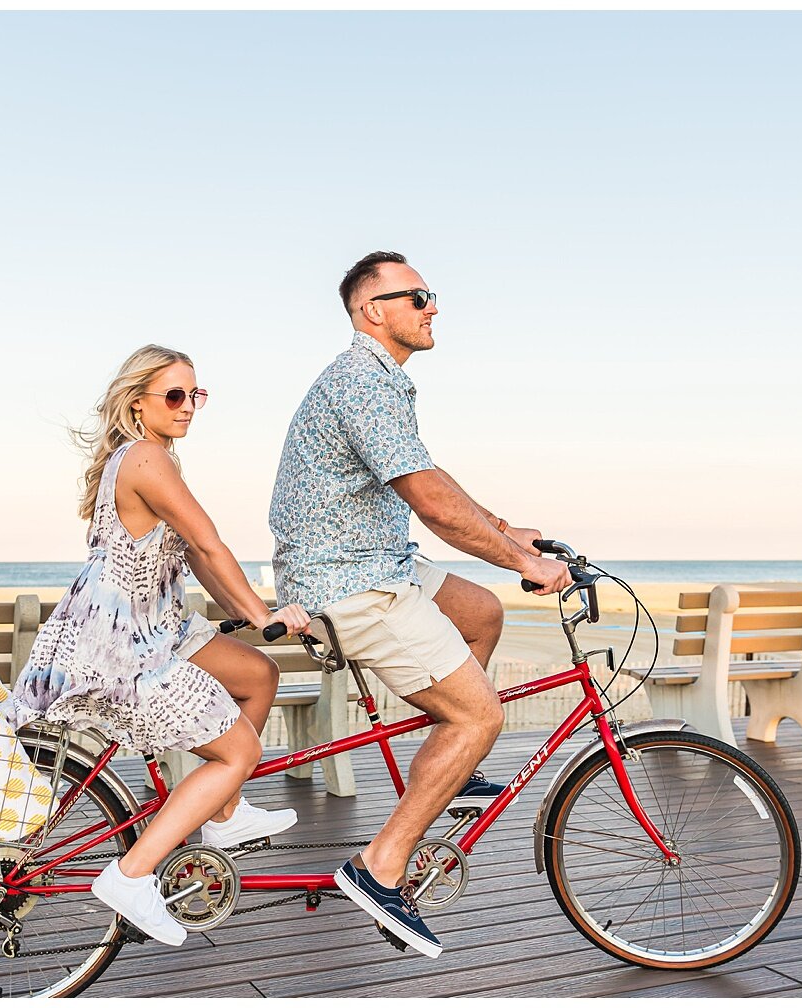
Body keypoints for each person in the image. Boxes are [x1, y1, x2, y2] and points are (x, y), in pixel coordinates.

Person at [269, 252, 573, 958]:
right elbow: (431, 503)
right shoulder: (359, 380)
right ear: (371, 310)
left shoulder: (382, 382)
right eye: (417, 296)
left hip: (381, 561)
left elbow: (429, 474)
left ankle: (451, 763)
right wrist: (527, 562)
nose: (432, 306)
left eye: (431, 295)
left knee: (482, 614)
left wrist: (505, 529)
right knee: (480, 713)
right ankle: (380, 865)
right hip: (347, 583)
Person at [12, 345, 311, 946]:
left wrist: (250, 621)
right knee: (235, 752)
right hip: (122, 644)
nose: (188, 407)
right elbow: (207, 542)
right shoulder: (147, 457)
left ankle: (223, 815)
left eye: (195, 395)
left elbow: (193, 561)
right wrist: (261, 610)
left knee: (256, 675)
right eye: (175, 395)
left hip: (158, 627)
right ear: (137, 402)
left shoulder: (151, 457)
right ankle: (130, 875)